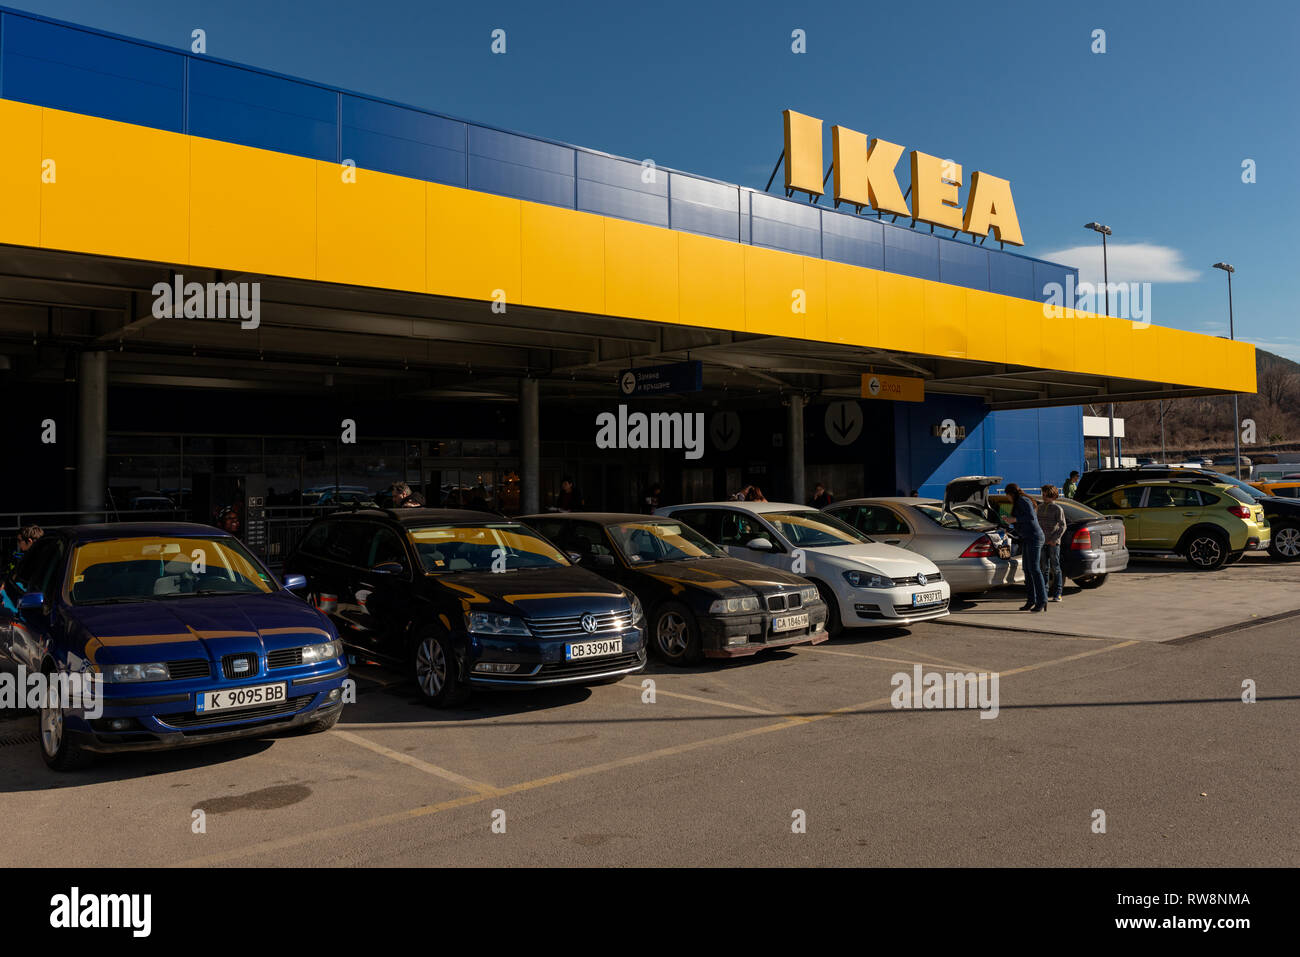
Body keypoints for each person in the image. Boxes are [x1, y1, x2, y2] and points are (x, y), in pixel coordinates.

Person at [1005, 483, 1046, 612]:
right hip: (1028, 537)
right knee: (1027, 569)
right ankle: (1031, 600)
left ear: (1011, 494)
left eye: (1007, 496)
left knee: (1034, 569)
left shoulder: (1023, 500)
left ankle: (1042, 600)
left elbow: (1030, 517)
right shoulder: (1020, 501)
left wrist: (1014, 519)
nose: (1007, 499)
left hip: (1034, 537)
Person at [1037, 485, 1067, 603]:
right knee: (1044, 568)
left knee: (1056, 568)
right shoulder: (1039, 507)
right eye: (1043, 494)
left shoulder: (1057, 509)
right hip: (1042, 542)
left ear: (1053, 496)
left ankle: (1058, 593)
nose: (1044, 497)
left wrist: (1055, 539)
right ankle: (1044, 592)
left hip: (1054, 543)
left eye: (1046, 495)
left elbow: (1063, 525)